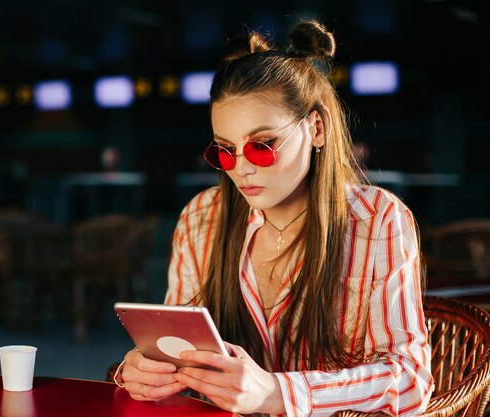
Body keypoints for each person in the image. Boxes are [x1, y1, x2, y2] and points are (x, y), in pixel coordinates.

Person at [114, 19, 434, 417]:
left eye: (263, 146)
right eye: (225, 152)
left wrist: (277, 392)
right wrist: (149, 370)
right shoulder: (202, 217)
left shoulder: (378, 219)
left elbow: (410, 379)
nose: (241, 169)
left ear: (316, 128)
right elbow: (181, 352)